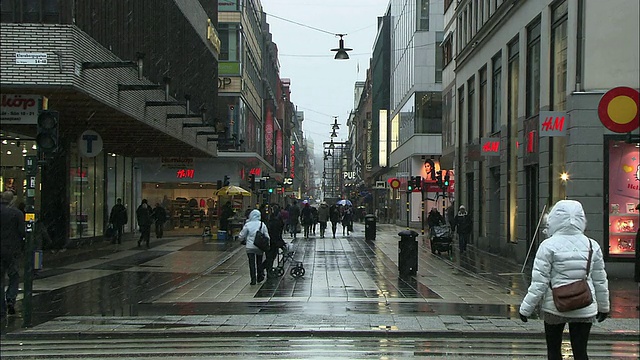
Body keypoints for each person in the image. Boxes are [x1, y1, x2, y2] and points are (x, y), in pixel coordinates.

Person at [519, 200, 610, 360]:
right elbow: (600, 280)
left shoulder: (548, 246)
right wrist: (604, 307)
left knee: (553, 351)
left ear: (554, 219)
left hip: (555, 306)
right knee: (581, 352)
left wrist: (526, 308)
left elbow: (539, 283)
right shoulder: (592, 245)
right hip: (585, 305)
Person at [1, 191, 25, 317]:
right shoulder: (17, 213)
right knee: (14, 276)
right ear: (12, 200)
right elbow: (22, 232)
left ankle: (1, 307)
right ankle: (10, 299)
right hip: (12, 250)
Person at [238, 209, 270, 285]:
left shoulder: (247, 224)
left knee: (251, 264)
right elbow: (267, 236)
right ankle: (259, 276)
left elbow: (241, 236)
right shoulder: (262, 224)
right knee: (259, 262)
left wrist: (242, 240)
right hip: (259, 247)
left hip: (250, 247)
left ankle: (253, 280)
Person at [263, 206, 285, 279]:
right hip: (272, 242)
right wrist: (281, 242)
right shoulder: (275, 221)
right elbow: (276, 233)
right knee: (271, 257)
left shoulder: (271, 220)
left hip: (270, 241)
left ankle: (265, 270)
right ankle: (265, 270)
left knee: (270, 257)